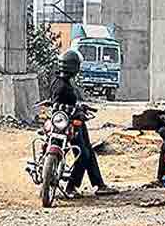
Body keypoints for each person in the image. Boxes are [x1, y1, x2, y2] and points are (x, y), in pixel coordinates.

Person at [48, 49, 116, 198]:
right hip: (67, 124)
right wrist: (76, 110)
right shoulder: (62, 85)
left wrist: (79, 107)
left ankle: (99, 184)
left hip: (71, 121)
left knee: (88, 150)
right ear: (74, 67)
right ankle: (71, 186)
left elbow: (64, 103)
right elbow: (58, 105)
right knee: (83, 154)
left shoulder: (59, 80)